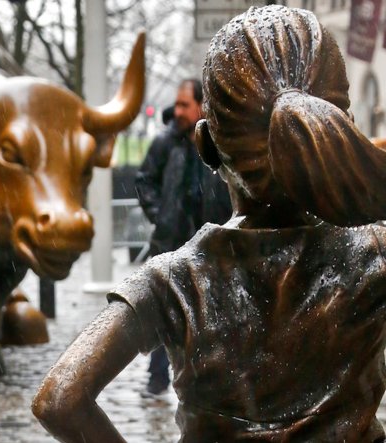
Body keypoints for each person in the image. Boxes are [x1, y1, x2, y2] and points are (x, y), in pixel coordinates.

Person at [32, 6, 386, 442]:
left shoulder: (172, 278)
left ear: (207, 145)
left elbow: (61, 399)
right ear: (341, 128)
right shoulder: (376, 257)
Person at [134, 79, 232, 396]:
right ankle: (157, 379)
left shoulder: (220, 144)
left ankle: (208, 385)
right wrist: (159, 215)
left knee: (211, 316)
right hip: (171, 243)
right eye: (176, 104)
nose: (177, 111)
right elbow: (144, 180)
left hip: (210, 245)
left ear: (202, 106)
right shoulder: (165, 143)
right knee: (164, 313)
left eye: (184, 105)